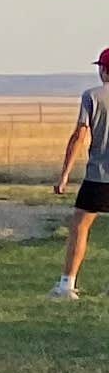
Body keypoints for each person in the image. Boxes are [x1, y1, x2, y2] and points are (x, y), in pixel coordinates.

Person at [57, 49, 109, 299]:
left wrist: (65, 175)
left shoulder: (92, 96)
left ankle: (67, 284)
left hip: (99, 174)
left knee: (80, 225)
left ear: (103, 70)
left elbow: (80, 135)